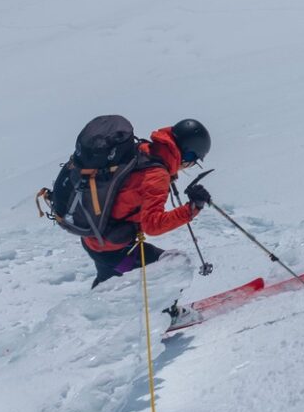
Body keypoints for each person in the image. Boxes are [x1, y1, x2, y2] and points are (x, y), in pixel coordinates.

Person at [69, 116, 214, 287]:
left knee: (108, 283)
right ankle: (169, 312)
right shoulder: (157, 175)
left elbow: (135, 185)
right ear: (187, 155)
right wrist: (193, 208)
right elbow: (153, 225)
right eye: (193, 162)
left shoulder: (145, 150)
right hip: (114, 249)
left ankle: (95, 310)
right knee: (174, 268)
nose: (189, 167)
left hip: (94, 236)